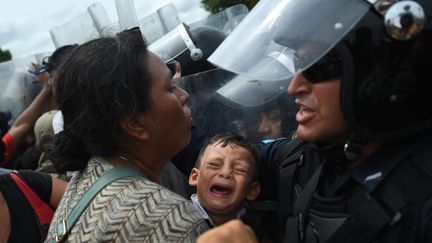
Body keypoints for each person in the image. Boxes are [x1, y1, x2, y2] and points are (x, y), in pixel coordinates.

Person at [179, 0, 432, 242]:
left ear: (381, 71)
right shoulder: (302, 160)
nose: (294, 86)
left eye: (319, 65)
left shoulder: (422, 203)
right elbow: (205, 152)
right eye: (300, 62)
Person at [45, 27, 208, 242]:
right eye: (170, 88)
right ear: (135, 124)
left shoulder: (84, 182)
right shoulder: (172, 221)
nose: (184, 95)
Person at [188, 133, 270, 240]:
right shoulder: (172, 218)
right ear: (195, 177)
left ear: (251, 190)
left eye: (240, 169)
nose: (225, 173)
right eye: (214, 164)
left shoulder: (256, 230)